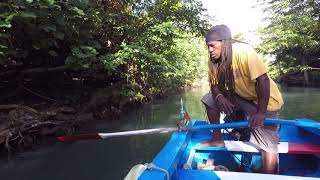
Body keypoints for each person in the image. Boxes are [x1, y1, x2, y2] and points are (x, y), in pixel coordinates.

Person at [200, 24, 284, 174]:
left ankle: (268, 175)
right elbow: (214, 86)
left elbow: (263, 80)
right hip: (241, 97)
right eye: (208, 47)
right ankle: (217, 139)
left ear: (224, 43)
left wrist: (260, 113)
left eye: (213, 45)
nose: (210, 50)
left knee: (267, 143)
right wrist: (219, 97)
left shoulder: (243, 52)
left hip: (266, 101)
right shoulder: (214, 61)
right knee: (209, 99)